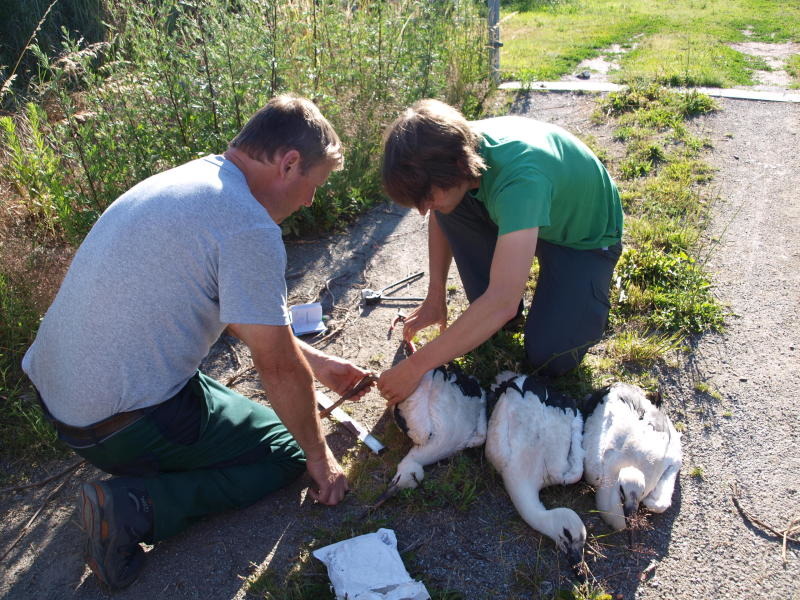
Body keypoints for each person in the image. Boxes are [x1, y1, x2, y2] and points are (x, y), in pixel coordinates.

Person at [22, 94, 372, 590]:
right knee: (285, 449)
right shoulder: (247, 224)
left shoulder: (188, 181)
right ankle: (133, 508)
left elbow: (226, 303)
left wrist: (314, 363)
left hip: (58, 397)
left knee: (275, 416)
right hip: (116, 426)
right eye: (312, 186)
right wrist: (319, 457)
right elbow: (275, 366)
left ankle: (143, 473)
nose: (310, 201)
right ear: (289, 164)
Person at [377, 99, 623, 405]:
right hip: (523, 210)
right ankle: (493, 319)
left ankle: (555, 305)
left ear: (458, 165)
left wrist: (415, 367)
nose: (423, 209)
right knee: (450, 206)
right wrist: (435, 296)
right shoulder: (453, 149)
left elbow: (502, 301)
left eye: (426, 196)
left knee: (551, 356)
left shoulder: (520, 178)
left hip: (580, 238)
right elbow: (441, 215)